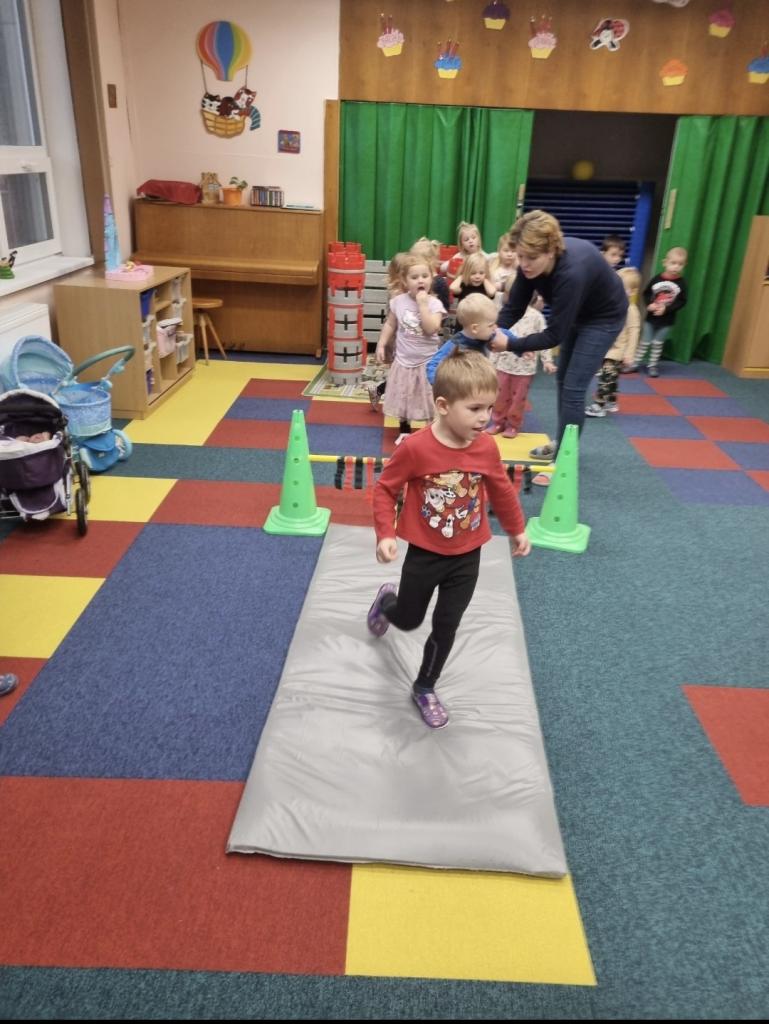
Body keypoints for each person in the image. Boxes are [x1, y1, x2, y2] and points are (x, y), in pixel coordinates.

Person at [367, 349, 531, 729]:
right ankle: (386, 603)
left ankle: (425, 686)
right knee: (409, 619)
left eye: (489, 408)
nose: (485, 418)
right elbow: (385, 489)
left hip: (467, 556)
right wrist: (386, 534)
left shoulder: (486, 447)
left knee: (447, 624)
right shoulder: (415, 448)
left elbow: (502, 490)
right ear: (443, 406)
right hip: (424, 555)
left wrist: (517, 529)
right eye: (474, 409)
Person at [495, 209, 628, 464]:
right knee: (562, 381)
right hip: (579, 310)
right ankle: (562, 444)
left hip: (604, 317)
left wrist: (510, 343)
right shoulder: (529, 266)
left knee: (573, 388)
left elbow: (554, 335)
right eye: (520, 256)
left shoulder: (570, 273)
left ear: (551, 251)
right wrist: (493, 331)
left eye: (531, 258)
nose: (524, 264)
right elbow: (515, 307)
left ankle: (564, 459)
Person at [376, 253, 446, 442]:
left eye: (425, 276)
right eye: (414, 277)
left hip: (427, 362)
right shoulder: (398, 302)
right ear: (405, 282)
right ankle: (404, 430)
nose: (420, 280)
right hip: (404, 360)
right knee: (404, 395)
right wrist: (381, 343)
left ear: (431, 278)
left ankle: (432, 432)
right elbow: (390, 324)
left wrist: (423, 305)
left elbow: (431, 328)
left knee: (429, 397)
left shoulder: (435, 304)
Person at [488, 293, 555, 439]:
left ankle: (513, 424)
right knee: (500, 397)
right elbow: (495, 337)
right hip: (503, 365)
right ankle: (498, 421)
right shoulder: (505, 314)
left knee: (518, 399)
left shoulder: (536, 317)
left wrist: (547, 360)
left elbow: (545, 340)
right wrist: (491, 363)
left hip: (524, 368)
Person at [586, 267, 641, 416]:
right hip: (606, 346)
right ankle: (611, 401)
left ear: (632, 292)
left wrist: (629, 354)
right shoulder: (611, 305)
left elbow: (634, 332)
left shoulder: (631, 310)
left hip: (617, 350)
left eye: (622, 288)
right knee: (611, 376)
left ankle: (599, 405)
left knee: (606, 376)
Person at [628, 247, 688, 378]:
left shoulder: (682, 283)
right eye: (673, 263)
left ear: (684, 265)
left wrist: (666, 309)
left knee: (657, 344)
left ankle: (652, 365)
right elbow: (646, 293)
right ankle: (635, 363)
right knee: (645, 341)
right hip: (651, 319)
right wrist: (649, 305)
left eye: (680, 264)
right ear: (665, 262)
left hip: (667, 321)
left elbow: (682, 301)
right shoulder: (656, 279)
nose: (676, 267)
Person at [425, 293, 502, 384]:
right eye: (491, 325)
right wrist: (445, 386)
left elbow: (507, 336)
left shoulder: (488, 335)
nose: (495, 328)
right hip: (462, 389)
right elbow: (432, 365)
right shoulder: (455, 344)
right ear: (475, 328)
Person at [488, 232, 519, 307]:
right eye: (506, 251)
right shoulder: (493, 269)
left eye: (513, 251)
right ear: (499, 251)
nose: (509, 254)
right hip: (494, 305)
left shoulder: (517, 271)